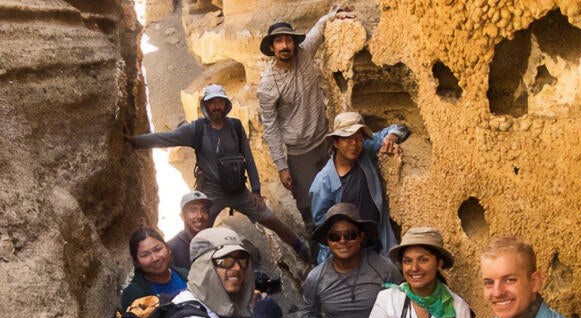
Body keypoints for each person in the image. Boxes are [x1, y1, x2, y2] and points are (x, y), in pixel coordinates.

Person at [129, 84, 309, 261]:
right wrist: (134, 142)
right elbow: (165, 138)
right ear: (205, 105)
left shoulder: (235, 126)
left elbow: (248, 158)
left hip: (239, 191)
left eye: (220, 102)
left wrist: (256, 190)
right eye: (212, 102)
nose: (216, 107)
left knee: (270, 219)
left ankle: (302, 248)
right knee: (197, 234)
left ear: (226, 105)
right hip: (212, 194)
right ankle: (187, 266)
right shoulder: (197, 129)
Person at [257, 10, 354, 232]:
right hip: (299, 153)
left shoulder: (305, 53)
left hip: (325, 141)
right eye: (279, 41)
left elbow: (318, 30)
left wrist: (334, 16)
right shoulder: (267, 86)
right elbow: (270, 128)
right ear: (272, 47)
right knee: (310, 207)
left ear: (294, 43)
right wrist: (282, 167)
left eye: (288, 40)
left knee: (339, 195)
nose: (284, 45)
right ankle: (318, 256)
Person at [310, 111, 410, 263]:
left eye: (358, 138)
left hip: (377, 245)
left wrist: (391, 137)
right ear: (336, 142)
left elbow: (399, 128)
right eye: (348, 140)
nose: (354, 144)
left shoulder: (364, 151)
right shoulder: (323, 183)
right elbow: (322, 227)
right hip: (346, 253)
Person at [121, 227, 187, 311]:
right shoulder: (134, 294)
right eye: (145, 255)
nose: (155, 258)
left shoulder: (185, 275)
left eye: (158, 249)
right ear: (136, 262)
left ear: (168, 249)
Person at [167, 190, 212, 270]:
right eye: (193, 210)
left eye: (204, 210)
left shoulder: (215, 242)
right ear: (182, 216)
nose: (199, 216)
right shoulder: (172, 249)